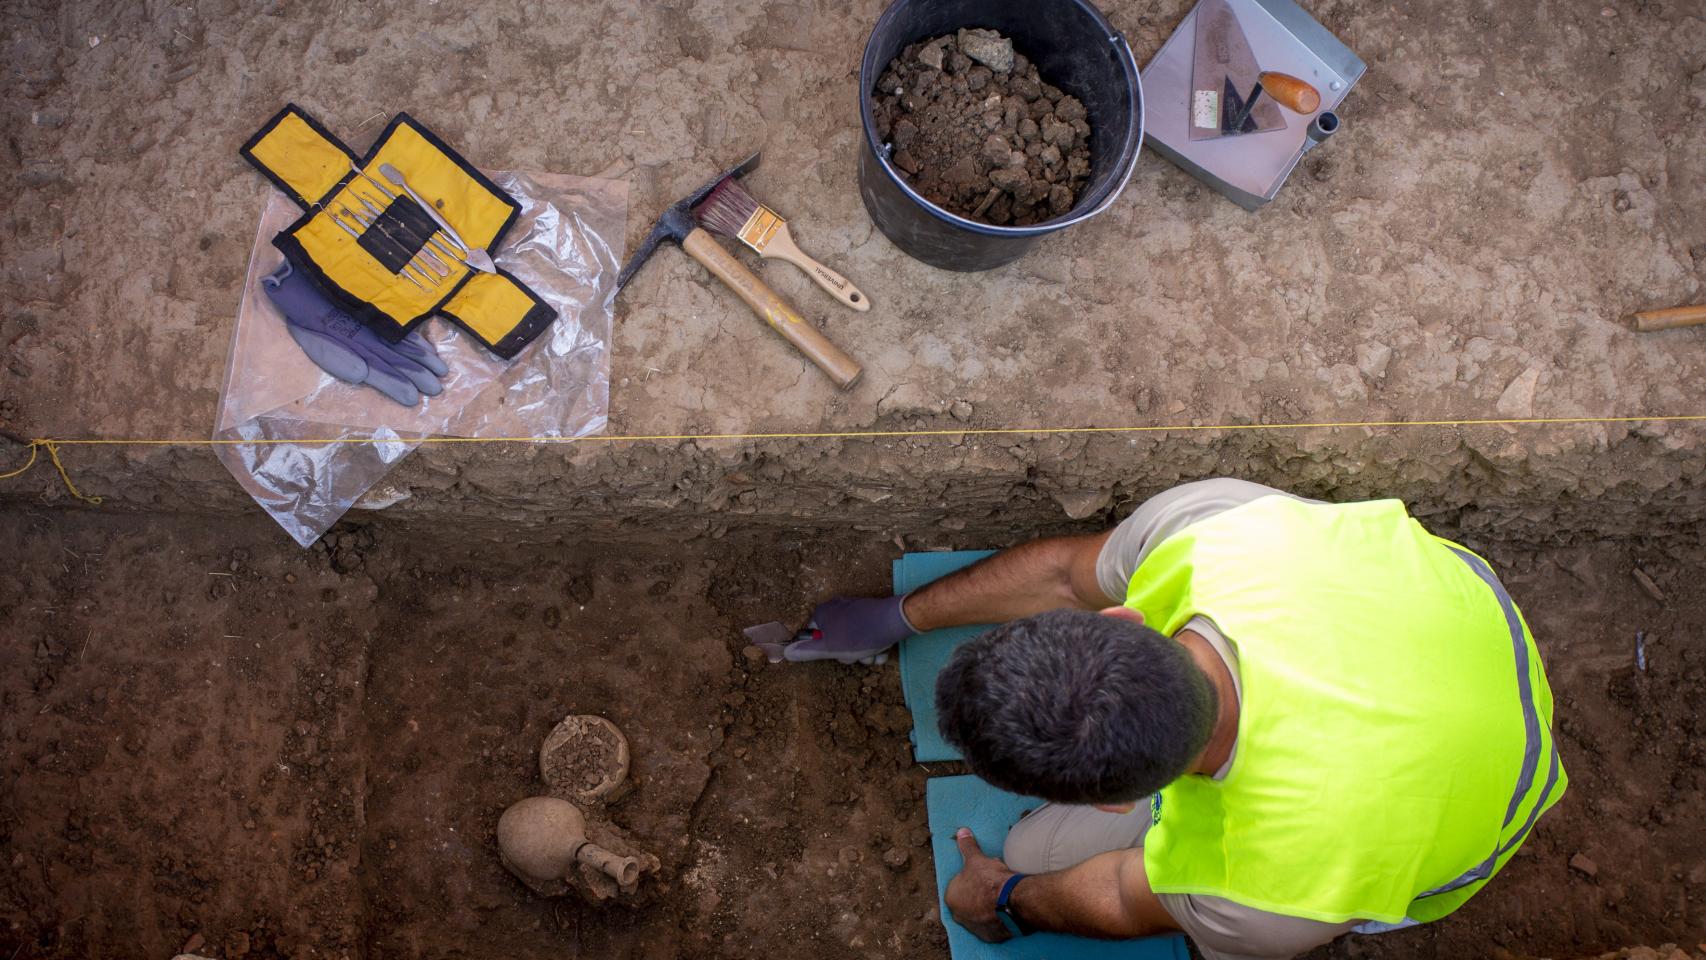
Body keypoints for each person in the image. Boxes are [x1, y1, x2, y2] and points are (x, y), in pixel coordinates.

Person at [786, 478, 1566, 959]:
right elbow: (1065, 574)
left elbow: (1128, 898)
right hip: (1466, 625)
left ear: (1115, 801)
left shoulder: (1272, 895)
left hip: (1487, 818)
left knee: (1028, 844)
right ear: (1125, 621)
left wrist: (1001, 901)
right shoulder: (1215, 528)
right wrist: (897, 616)